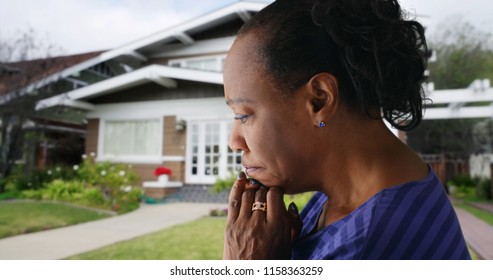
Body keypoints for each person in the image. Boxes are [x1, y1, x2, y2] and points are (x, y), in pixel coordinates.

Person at [222, 0, 471, 260]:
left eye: (243, 115)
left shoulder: (365, 246)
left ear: (319, 100)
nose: (234, 141)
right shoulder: (356, 193)